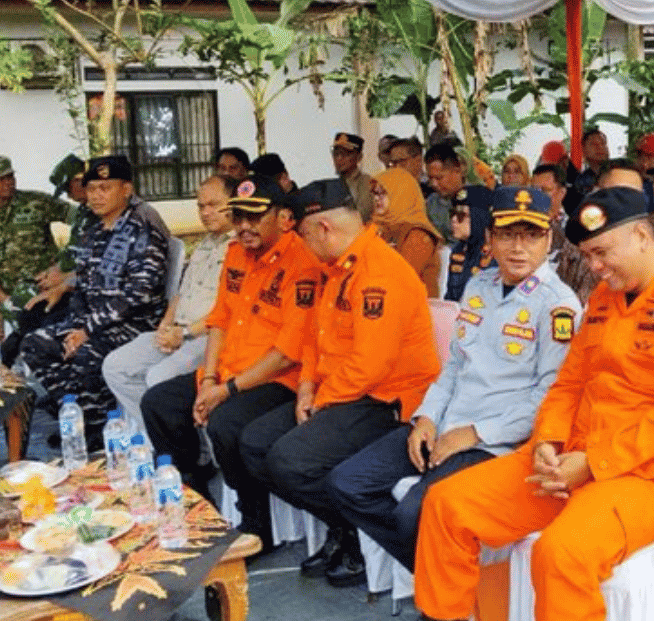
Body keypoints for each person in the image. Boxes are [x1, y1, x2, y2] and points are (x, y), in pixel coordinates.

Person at [352, 186, 654, 621]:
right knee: (446, 505)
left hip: (648, 477)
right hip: (569, 461)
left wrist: (592, 464)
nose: (594, 267)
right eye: (588, 256)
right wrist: (548, 442)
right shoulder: (603, 301)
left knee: (562, 552)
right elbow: (566, 385)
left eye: (603, 253)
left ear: (643, 237)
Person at [327, 186, 581, 571]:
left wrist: (475, 434)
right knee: (347, 483)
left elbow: (550, 396)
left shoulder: (558, 306)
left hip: (495, 441)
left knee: (416, 512)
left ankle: (447, 586)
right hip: (446, 422)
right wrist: (426, 418)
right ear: (490, 237)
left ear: (548, 240)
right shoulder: (480, 286)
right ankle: (442, 573)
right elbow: (455, 367)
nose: (518, 247)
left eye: (531, 235)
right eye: (508, 234)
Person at [239, 178, 441, 587]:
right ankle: (344, 526)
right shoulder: (336, 268)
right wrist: (307, 386)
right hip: (341, 391)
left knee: (290, 460)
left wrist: (321, 401)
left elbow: (371, 364)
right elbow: (315, 338)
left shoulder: (379, 271)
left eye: (304, 235)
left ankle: (355, 533)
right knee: (254, 443)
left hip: (385, 399)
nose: (303, 245)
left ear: (324, 229)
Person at [141, 175, 316, 518]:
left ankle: (253, 518)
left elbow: (286, 355)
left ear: (282, 218)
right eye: (239, 216)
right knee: (158, 404)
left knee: (225, 423)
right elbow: (219, 322)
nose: (245, 226)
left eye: (255, 216)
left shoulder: (302, 263)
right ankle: (195, 501)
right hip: (228, 372)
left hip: (276, 379)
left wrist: (225, 390)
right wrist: (209, 379)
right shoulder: (236, 254)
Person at [21, 155, 170, 442]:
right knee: (35, 344)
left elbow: (138, 295)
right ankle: (79, 415)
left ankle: (101, 425)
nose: (96, 196)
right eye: (91, 189)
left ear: (126, 190)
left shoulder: (143, 231)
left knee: (86, 355)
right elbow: (85, 285)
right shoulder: (93, 232)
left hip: (135, 324)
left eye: (105, 188)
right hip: (95, 322)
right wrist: (76, 326)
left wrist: (87, 330)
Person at [103, 175, 235, 429]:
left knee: (159, 378)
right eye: (200, 206)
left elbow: (229, 311)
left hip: (209, 336)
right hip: (178, 331)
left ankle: (182, 443)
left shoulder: (240, 246)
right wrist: (166, 324)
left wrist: (184, 333)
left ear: (233, 202)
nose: (205, 212)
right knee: (116, 366)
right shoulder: (205, 243)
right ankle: (155, 435)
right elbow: (180, 294)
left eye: (213, 205)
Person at [0, 154, 75, 364]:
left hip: (43, 295)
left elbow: (84, 220)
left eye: (10, 176)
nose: (9, 182)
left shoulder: (36, 202)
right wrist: (4, 301)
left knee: (46, 352)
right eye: (2, 179)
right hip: (6, 299)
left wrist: (65, 263)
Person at [373, 166, 445, 296]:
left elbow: (399, 280)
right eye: (375, 193)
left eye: (383, 193)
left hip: (409, 303)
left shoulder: (419, 235)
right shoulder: (378, 228)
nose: (377, 199)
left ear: (401, 195)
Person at [533, 164, 595, 304]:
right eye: (534, 190)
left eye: (545, 190)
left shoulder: (577, 231)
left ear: (562, 193)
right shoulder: (519, 232)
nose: (537, 196)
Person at [443, 185, 495, 302]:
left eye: (461, 215)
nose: (453, 220)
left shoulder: (495, 255)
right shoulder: (459, 249)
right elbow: (451, 296)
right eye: (453, 213)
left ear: (479, 217)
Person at [425, 142, 468, 237]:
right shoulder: (432, 203)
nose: (434, 184)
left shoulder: (479, 199)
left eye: (439, 178)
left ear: (457, 171)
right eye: (430, 178)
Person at [332, 132, 374, 223]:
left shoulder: (366, 182)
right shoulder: (333, 185)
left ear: (359, 157)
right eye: (336, 154)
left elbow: (361, 216)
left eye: (345, 154)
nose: (339, 158)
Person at [574, 127, 610, 195]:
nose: (600, 147)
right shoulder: (581, 182)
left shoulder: (618, 172)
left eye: (603, 143)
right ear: (584, 151)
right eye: (594, 144)